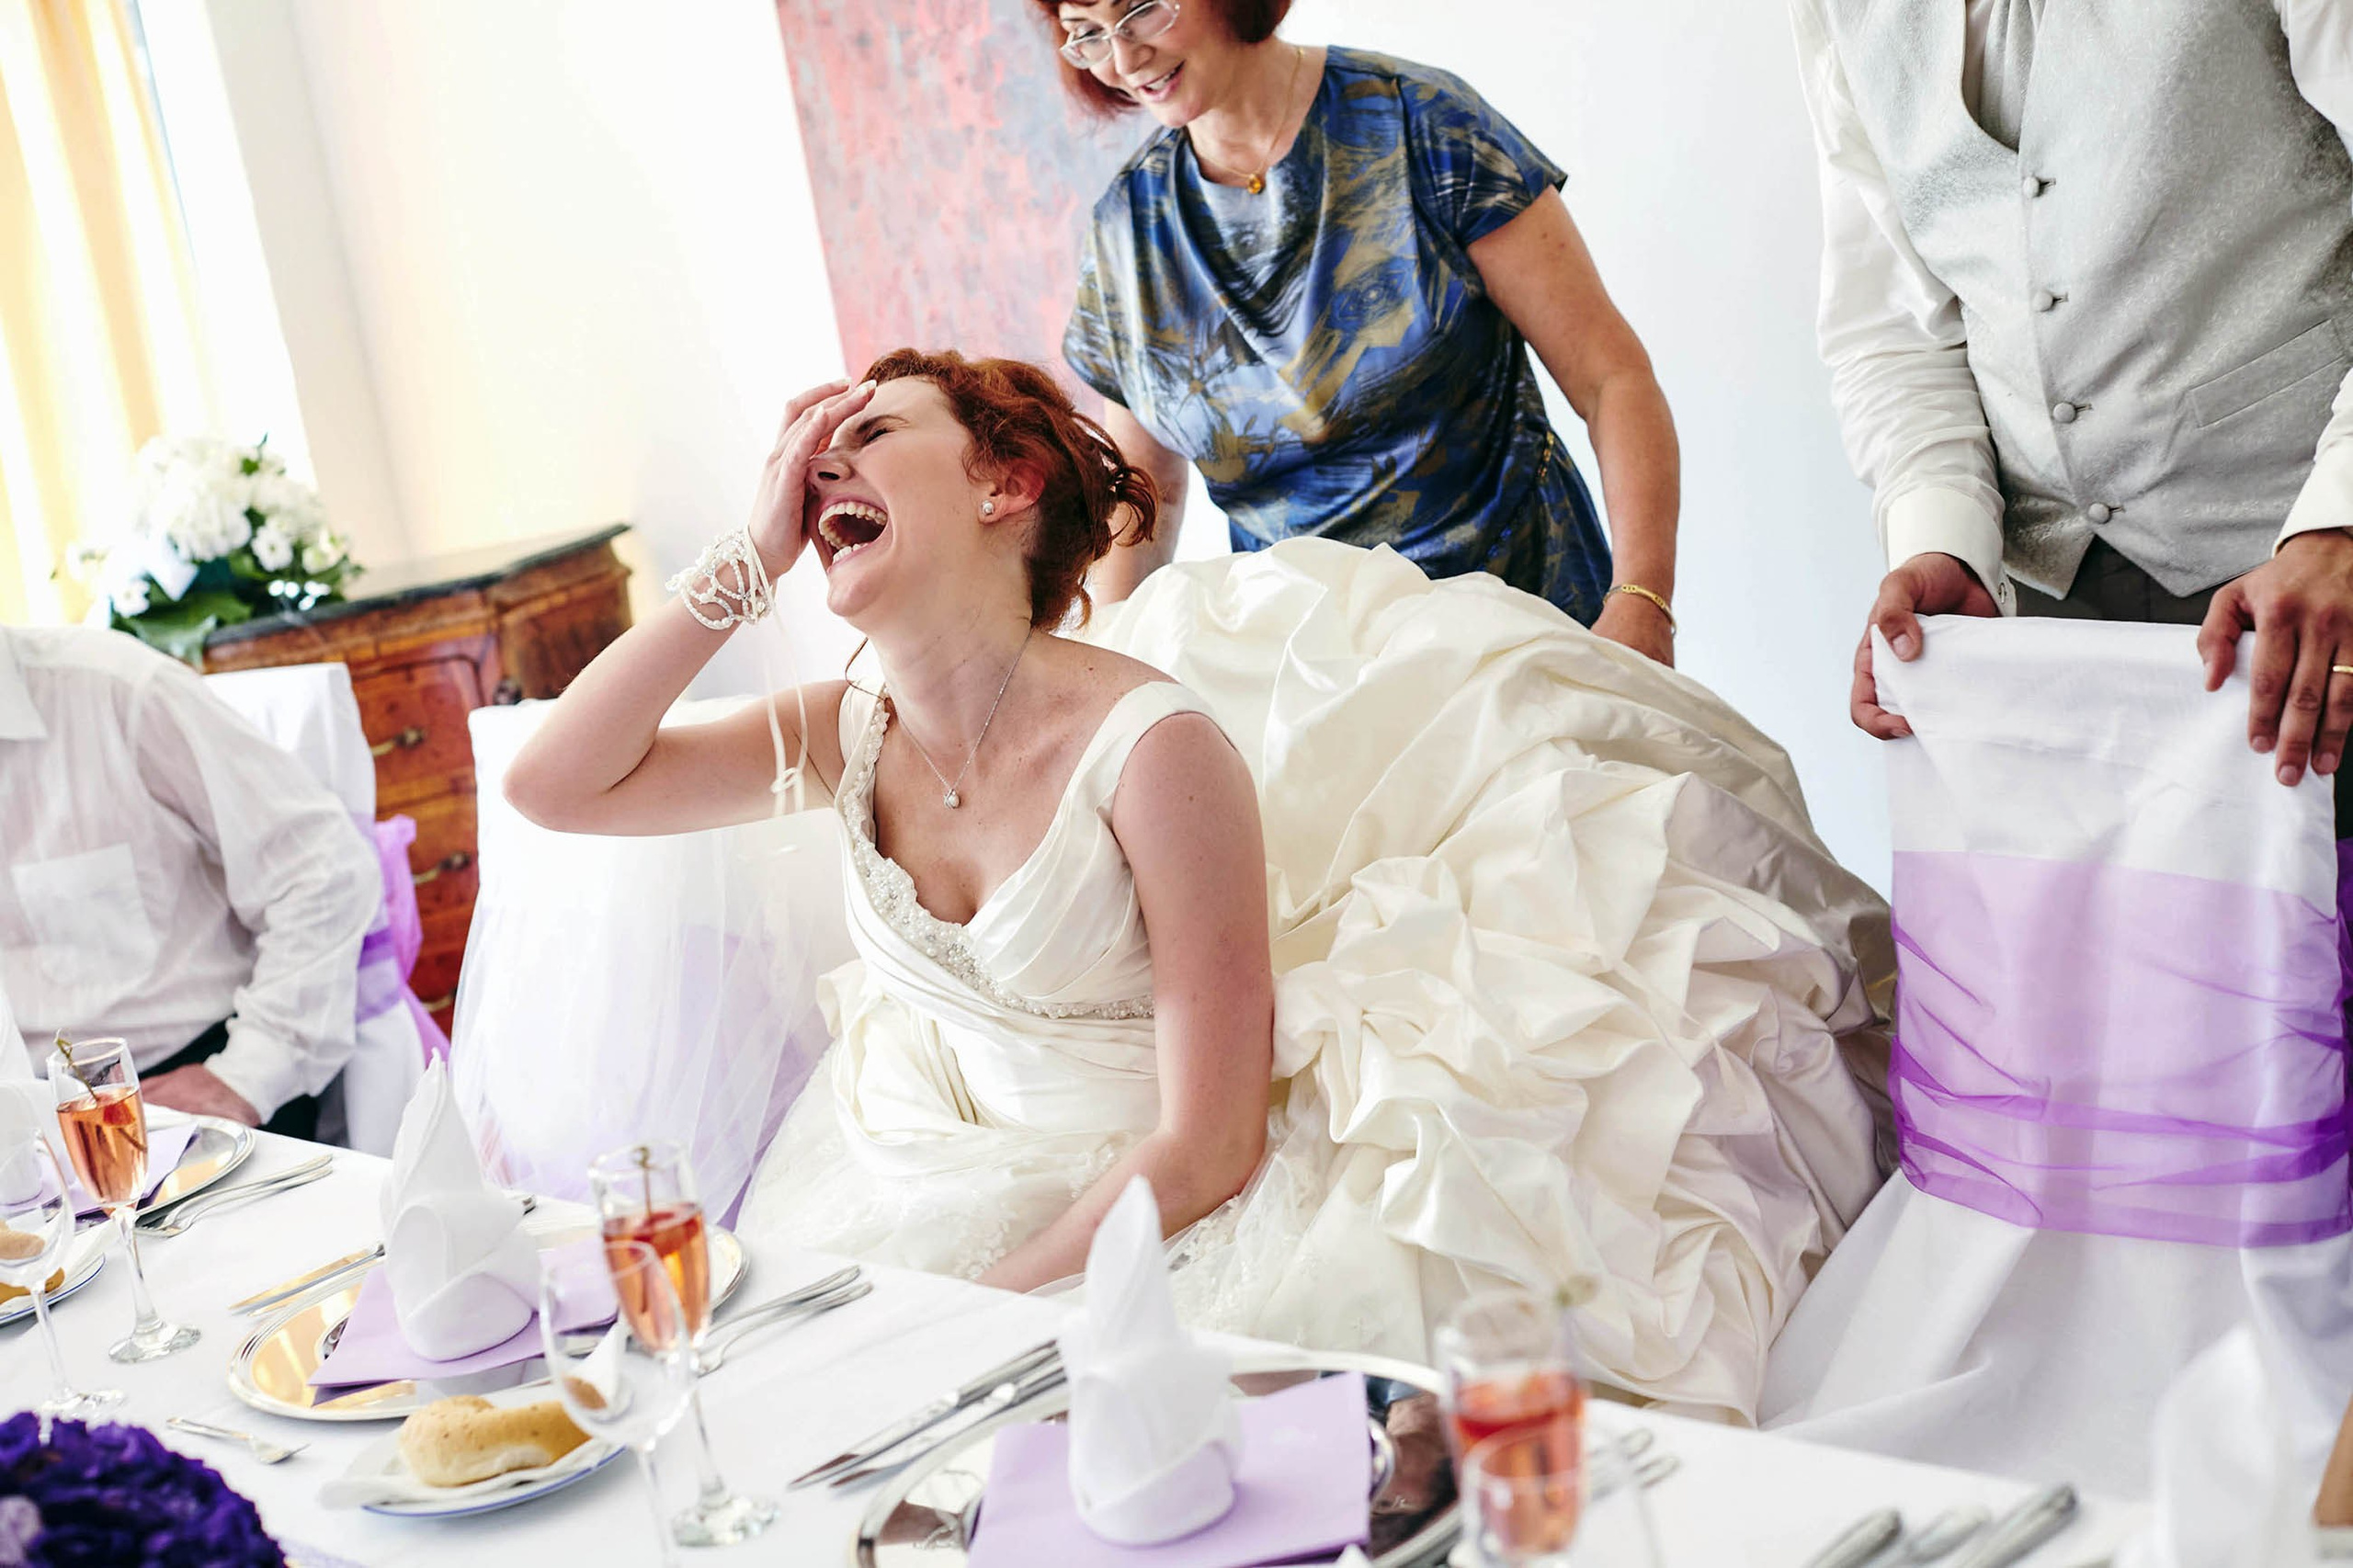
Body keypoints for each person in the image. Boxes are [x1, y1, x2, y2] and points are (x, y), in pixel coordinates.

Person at [506, 350, 1893, 1422]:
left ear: (1004, 486)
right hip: (922, 1173)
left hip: (1168, 1208)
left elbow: (1212, 1147)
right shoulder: (835, 729)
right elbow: (554, 784)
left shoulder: (1156, 752)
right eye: (809, 455)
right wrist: (746, 557)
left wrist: (962, 1317)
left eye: (869, 433)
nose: (820, 470)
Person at [1766, 0, 2353, 1490]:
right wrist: (1942, 537)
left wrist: (2341, 517)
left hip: (2312, 571)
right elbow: (1886, 316)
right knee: (2108, 1128)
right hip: (2057, 631)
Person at [1042, 0, 1683, 665]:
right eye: (1086, 33)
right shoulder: (1127, 236)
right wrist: (1108, 680)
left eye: (1140, 9)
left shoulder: (1423, 122)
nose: (1122, 59)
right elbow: (1149, 495)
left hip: (1526, 627)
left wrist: (1642, 601)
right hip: (1314, 682)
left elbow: (1611, 379)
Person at [0, 624, 380, 1135]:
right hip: (24, 1123)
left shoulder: (120, 690)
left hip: (185, 1091)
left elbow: (323, 869)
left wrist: (247, 1076)